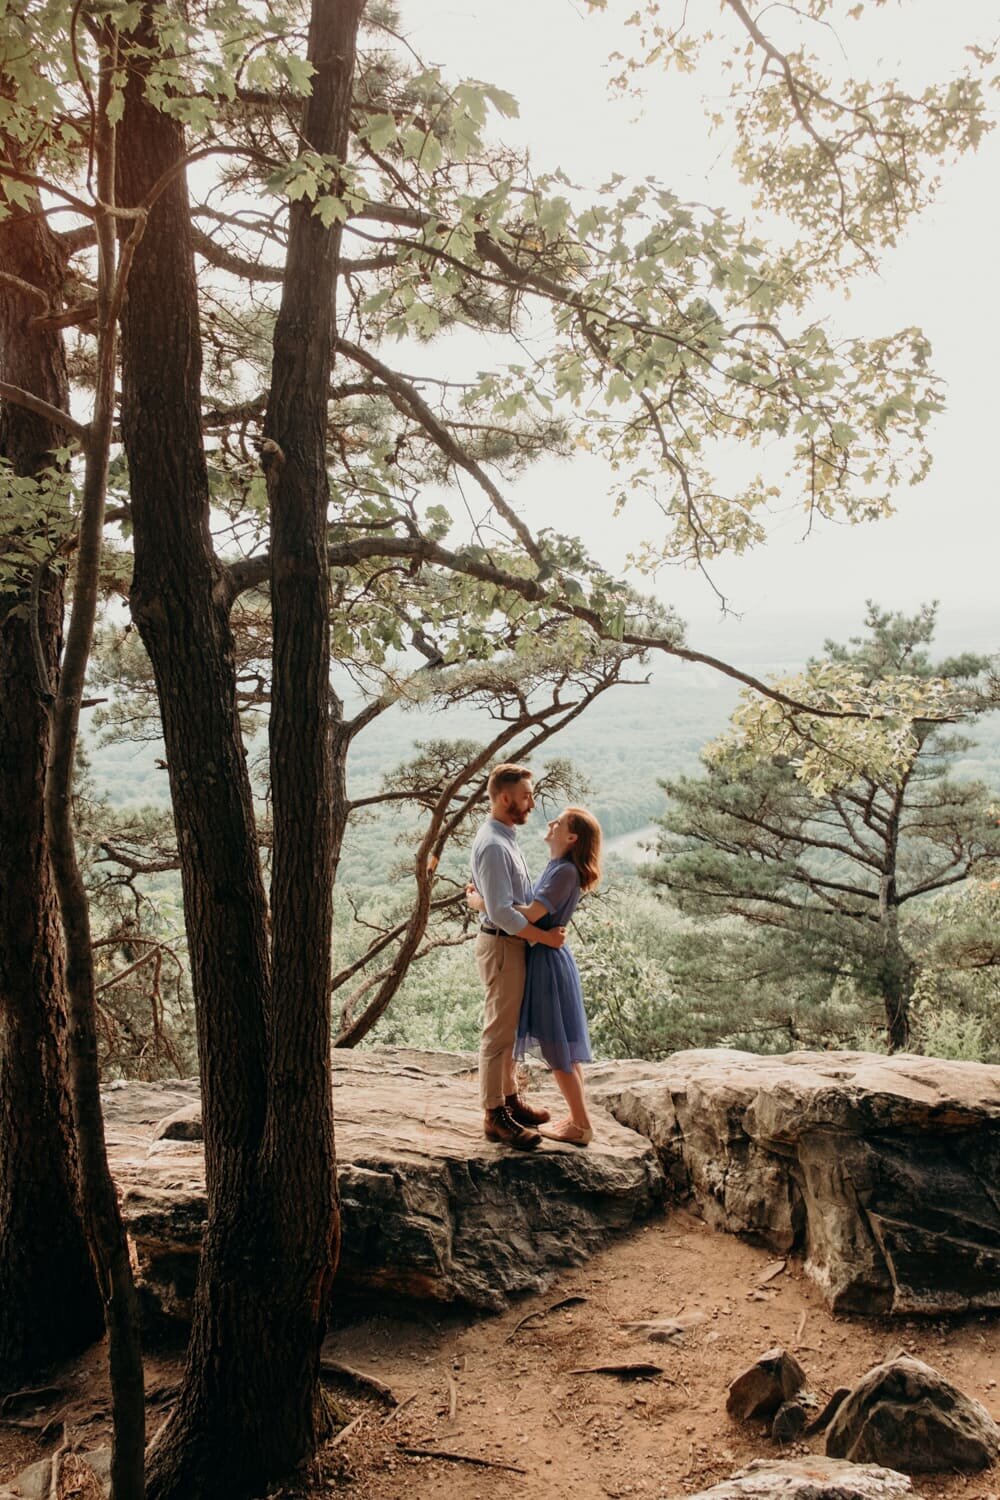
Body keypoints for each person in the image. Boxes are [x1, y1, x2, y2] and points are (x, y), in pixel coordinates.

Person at [469, 764, 567, 1150]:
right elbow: (503, 913)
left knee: (508, 1030)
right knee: (498, 1033)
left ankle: (508, 1101)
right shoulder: (494, 844)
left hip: (509, 944)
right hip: (503, 946)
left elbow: (500, 899)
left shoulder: (503, 835)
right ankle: (495, 1116)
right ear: (505, 797)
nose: (531, 803)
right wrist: (544, 937)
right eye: (526, 796)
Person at [512, 806, 600, 1146]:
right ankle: (579, 1119)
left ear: (572, 837)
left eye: (560, 822)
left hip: (548, 964)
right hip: (549, 959)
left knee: (555, 1047)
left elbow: (533, 913)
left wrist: (489, 905)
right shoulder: (559, 867)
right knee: (563, 1046)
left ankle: (580, 1125)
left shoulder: (564, 871)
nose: (552, 823)